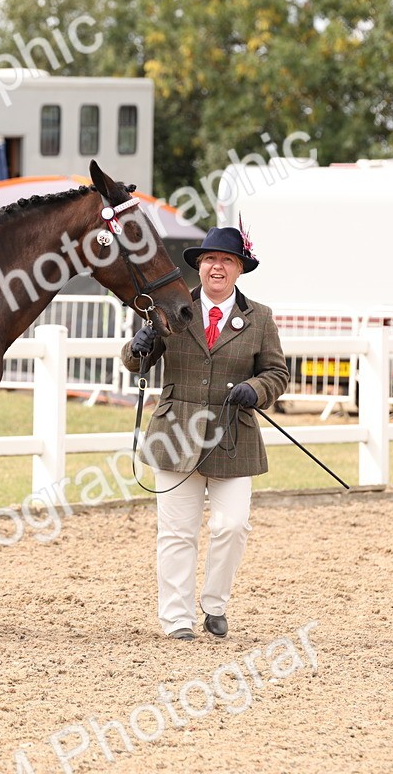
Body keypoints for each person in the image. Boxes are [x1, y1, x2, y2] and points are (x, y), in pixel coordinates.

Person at [121, 225, 289, 641]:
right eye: (210, 259)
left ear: (239, 269)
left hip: (234, 436)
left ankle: (214, 603)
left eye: (227, 260)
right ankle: (177, 619)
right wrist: (138, 345)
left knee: (232, 526)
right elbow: (133, 363)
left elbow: (278, 373)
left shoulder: (260, 318)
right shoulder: (172, 308)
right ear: (199, 266)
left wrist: (258, 388)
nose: (218, 267)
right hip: (175, 432)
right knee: (176, 532)